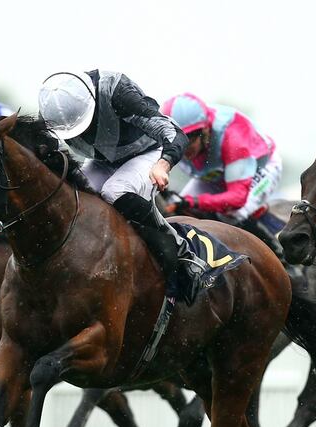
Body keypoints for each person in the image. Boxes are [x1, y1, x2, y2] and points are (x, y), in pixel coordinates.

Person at [37, 71, 209, 304]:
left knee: (114, 191)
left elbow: (174, 133)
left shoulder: (117, 93)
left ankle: (182, 253)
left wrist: (163, 164)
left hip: (149, 153)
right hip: (104, 161)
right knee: (76, 199)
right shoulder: (53, 111)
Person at [159, 93, 290, 269]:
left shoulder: (233, 137)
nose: (182, 149)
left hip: (260, 168)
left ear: (205, 130)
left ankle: (281, 260)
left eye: (188, 141)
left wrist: (193, 201)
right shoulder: (179, 136)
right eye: (176, 141)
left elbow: (236, 199)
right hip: (218, 174)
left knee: (232, 213)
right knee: (178, 212)